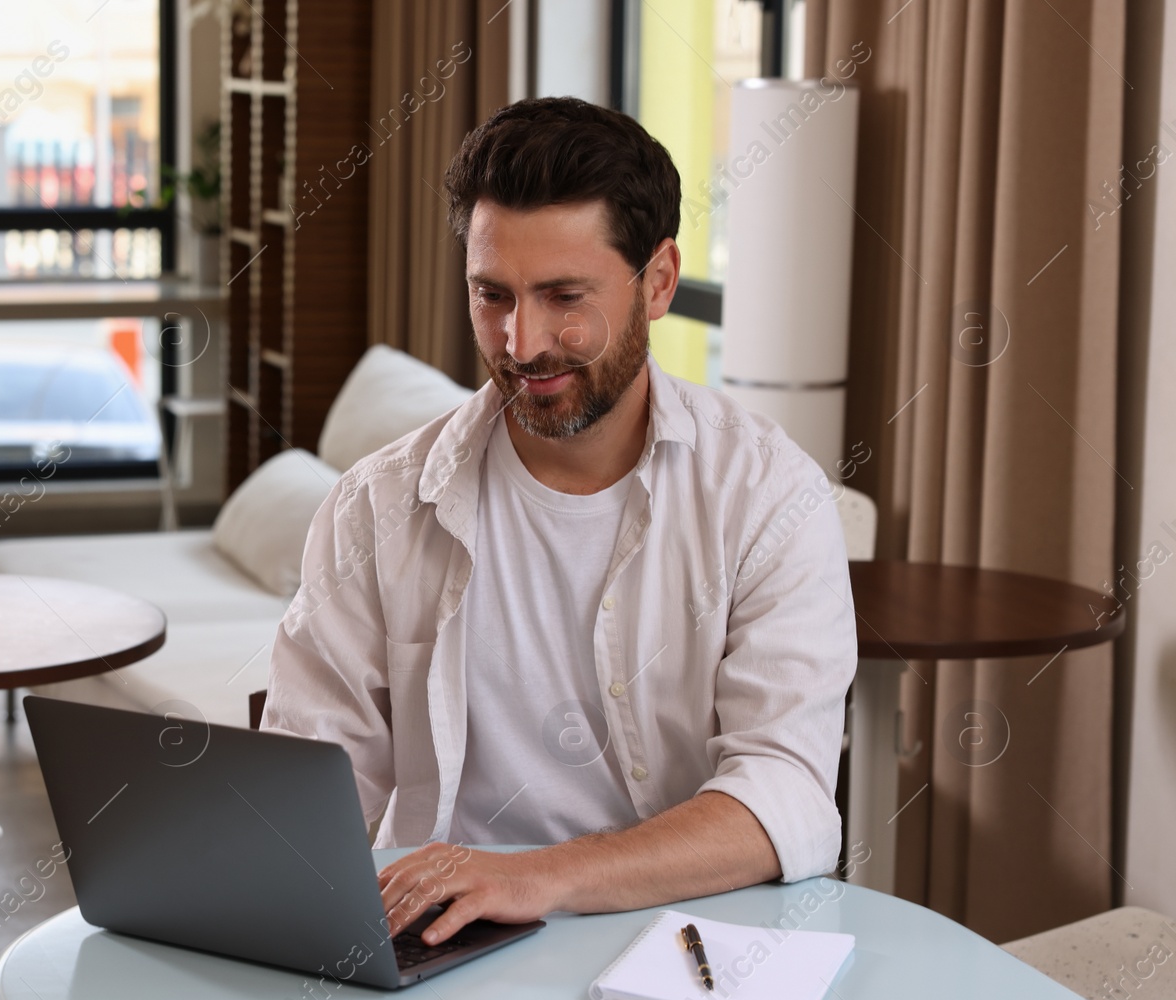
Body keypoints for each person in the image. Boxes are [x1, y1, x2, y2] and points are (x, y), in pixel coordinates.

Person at [262, 96, 857, 948]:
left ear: (657, 283)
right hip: (445, 949)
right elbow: (308, 794)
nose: (521, 341)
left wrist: (536, 876)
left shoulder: (768, 496)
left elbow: (788, 794)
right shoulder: (376, 505)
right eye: (491, 295)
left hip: (681, 951)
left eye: (563, 296)